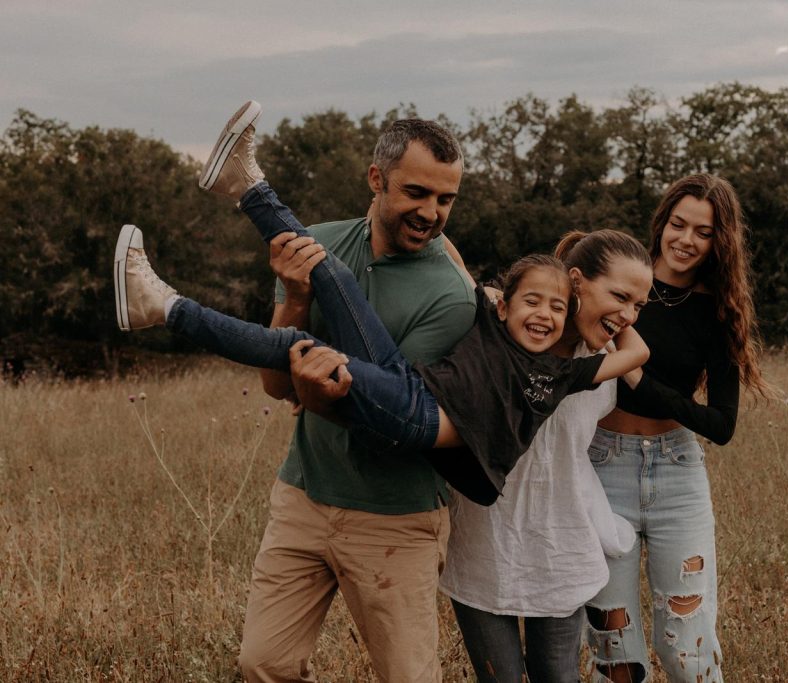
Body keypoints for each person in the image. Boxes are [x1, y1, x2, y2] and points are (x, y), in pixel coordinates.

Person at [161, 101, 473, 682]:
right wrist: (295, 298)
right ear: (376, 179)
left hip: (394, 518)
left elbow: (400, 418)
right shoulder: (317, 243)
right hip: (303, 495)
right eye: (417, 193)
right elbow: (277, 386)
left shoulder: (451, 296)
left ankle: (224, 220)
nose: (431, 212)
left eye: (445, 199)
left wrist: (322, 397)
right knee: (264, 664)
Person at [114, 213, 648, 503]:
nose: (544, 315)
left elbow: (638, 349)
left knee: (296, 347)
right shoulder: (490, 319)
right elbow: (456, 263)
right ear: (506, 304)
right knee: (337, 279)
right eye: (533, 302)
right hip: (409, 384)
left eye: (556, 309)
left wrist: (617, 315)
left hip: (418, 419)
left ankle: (162, 306)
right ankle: (250, 189)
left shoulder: (566, 372)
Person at [437, 229, 655, 683]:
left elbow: (648, 367)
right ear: (576, 282)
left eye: (638, 305)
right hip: (483, 548)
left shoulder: (596, 368)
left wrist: (615, 314)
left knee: (558, 676)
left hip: (561, 552)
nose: (629, 312)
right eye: (620, 295)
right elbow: (454, 268)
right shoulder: (501, 336)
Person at [583, 174, 772, 683]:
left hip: (677, 474)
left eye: (703, 232)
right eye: (678, 224)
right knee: (614, 651)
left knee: (688, 652)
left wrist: (639, 374)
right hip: (602, 469)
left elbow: (722, 425)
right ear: (662, 224)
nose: (686, 240)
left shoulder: (719, 311)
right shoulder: (622, 288)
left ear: (720, 241)